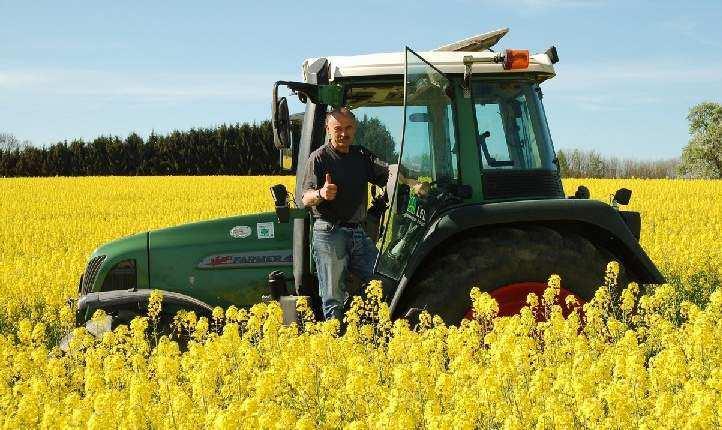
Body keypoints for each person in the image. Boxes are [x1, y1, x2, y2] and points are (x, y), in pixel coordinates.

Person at [300, 107, 389, 321]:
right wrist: (322, 193)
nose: (343, 133)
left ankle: (367, 325)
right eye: (338, 128)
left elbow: (388, 174)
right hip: (330, 232)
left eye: (348, 128)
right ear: (328, 130)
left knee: (383, 280)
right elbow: (305, 198)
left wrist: (413, 182)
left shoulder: (360, 155)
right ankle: (335, 339)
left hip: (357, 232)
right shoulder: (319, 158)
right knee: (333, 297)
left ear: (354, 128)